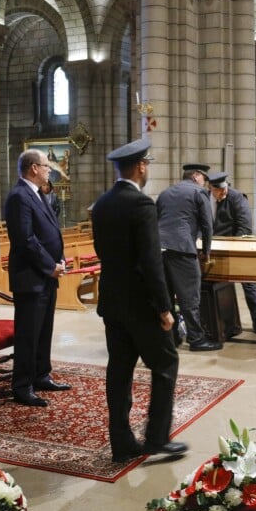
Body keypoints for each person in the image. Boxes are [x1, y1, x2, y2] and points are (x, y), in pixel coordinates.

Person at [92, 138, 187, 463]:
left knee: (119, 370)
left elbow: (104, 253)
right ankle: (157, 438)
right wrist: (165, 308)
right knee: (165, 365)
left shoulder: (102, 204)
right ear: (141, 166)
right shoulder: (142, 204)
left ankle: (121, 443)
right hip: (142, 306)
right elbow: (151, 262)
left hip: (112, 303)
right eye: (147, 164)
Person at [4, 149, 70, 407]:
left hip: (46, 275)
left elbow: (52, 230)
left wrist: (61, 257)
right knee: (29, 333)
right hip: (31, 276)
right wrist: (49, 265)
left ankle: (41, 375)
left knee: (44, 330)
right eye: (46, 166)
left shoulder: (38, 194)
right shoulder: (19, 196)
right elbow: (25, 239)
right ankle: (22, 386)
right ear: (33, 168)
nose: (49, 170)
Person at [157, 163, 222, 351]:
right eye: (204, 178)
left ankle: (172, 336)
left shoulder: (166, 192)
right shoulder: (198, 192)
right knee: (189, 296)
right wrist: (207, 251)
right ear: (195, 176)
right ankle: (196, 339)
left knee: (167, 296)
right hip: (183, 249)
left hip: (160, 249)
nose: (205, 183)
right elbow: (207, 224)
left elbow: (155, 219)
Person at [208, 171, 256, 335]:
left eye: (225, 189)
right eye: (220, 191)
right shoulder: (204, 197)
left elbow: (244, 226)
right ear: (210, 188)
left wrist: (232, 246)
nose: (223, 193)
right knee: (215, 286)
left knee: (248, 284)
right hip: (212, 249)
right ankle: (220, 323)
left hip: (235, 248)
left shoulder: (236, 197)